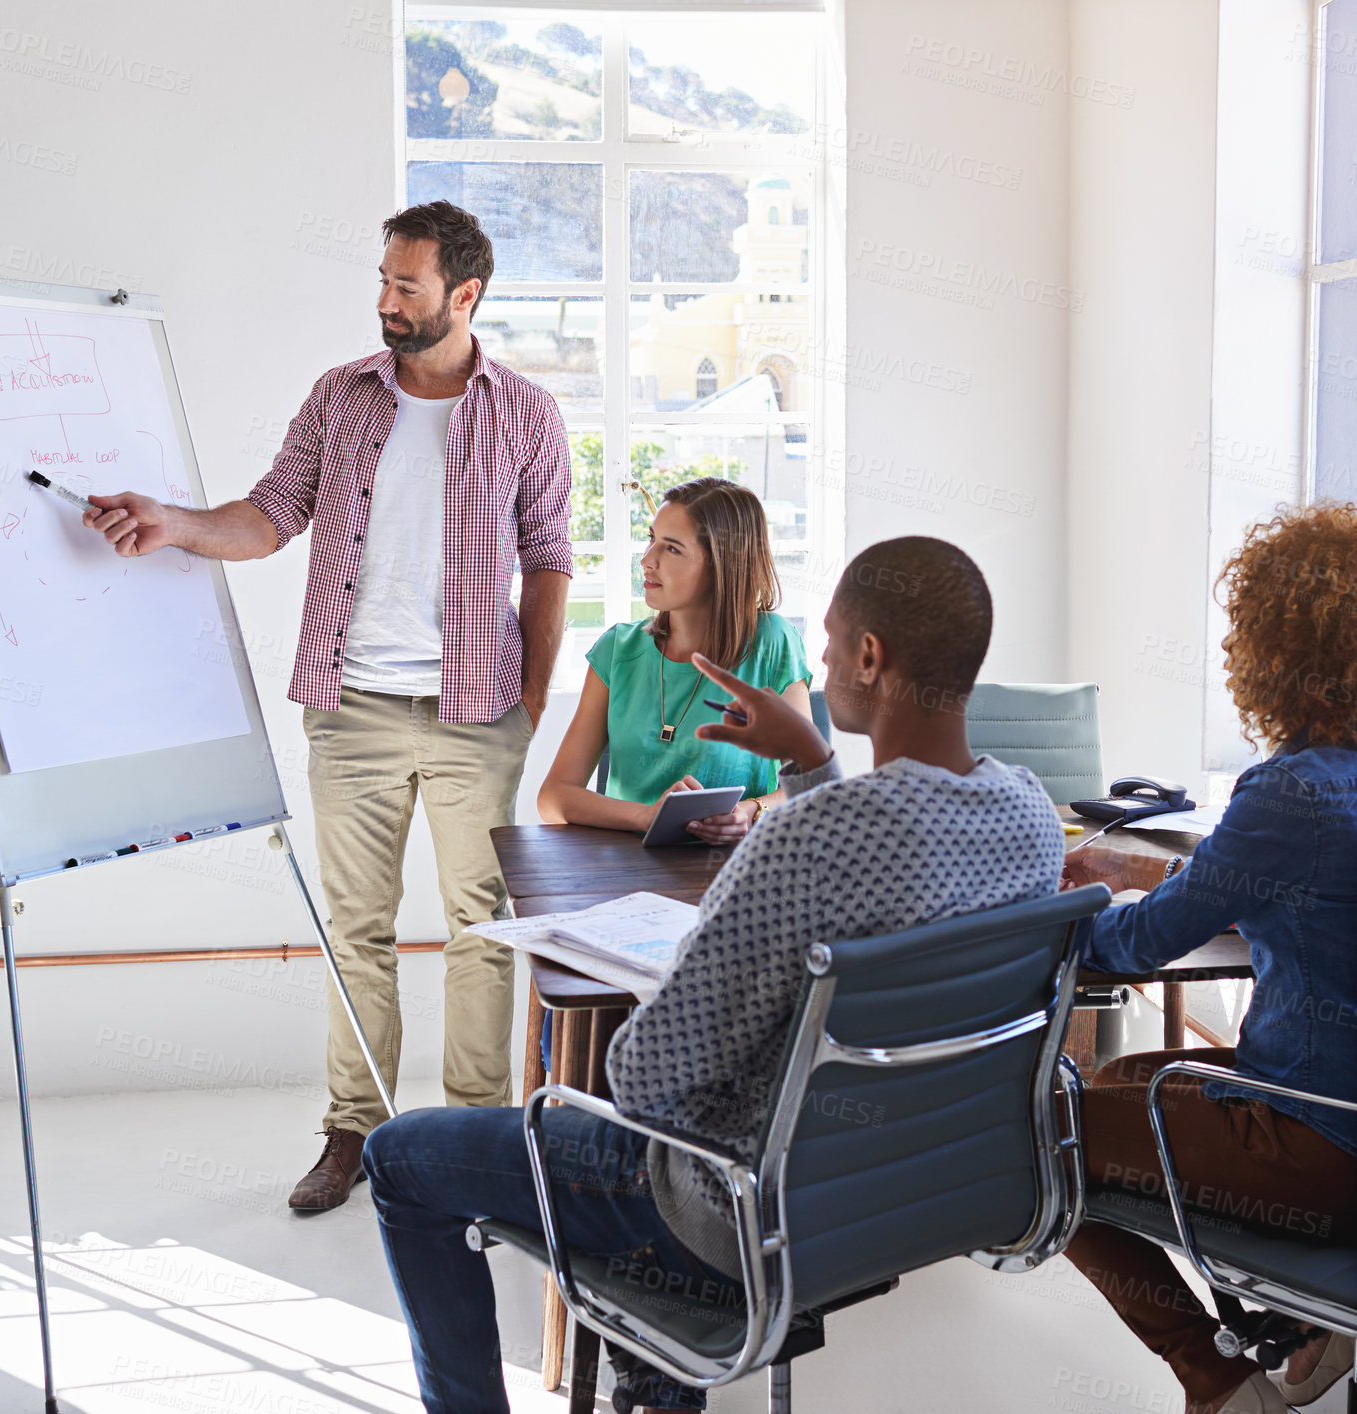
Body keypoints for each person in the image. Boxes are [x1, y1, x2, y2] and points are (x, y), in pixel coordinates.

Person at [363, 536, 1066, 1413]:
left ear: (871, 658)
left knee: (399, 1156)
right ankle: (658, 1379)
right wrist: (810, 760)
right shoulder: (1030, 816)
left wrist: (681, 979)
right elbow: (900, 858)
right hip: (911, 1190)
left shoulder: (801, 843)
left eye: (833, 641)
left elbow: (646, 1079)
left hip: (735, 1207)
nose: (819, 657)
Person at [83, 201, 573, 1211]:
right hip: (350, 708)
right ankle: (356, 1130)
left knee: (481, 925)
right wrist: (170, 521)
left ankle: (474, 1138)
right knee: (357, 926)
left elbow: (549, 560)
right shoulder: (341, 398)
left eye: (408, 285)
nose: (386, 301)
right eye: (383, 281)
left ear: (464, 295)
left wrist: (524, 701)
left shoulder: (525, 412)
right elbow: (270, 516)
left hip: (476, 710)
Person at [1061, 503, 1357, 1414]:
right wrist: (1138, 868)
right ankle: (1309, 1327)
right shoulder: (1316, 798)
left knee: (1037, 1134)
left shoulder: (1290, 793)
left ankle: (1219, 1378)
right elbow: (1285, 886)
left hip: (1317, 1140)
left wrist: (1050, 905)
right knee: (1127, 1074)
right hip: (1329, 1101)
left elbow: (1133, 944)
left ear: (1270, 646)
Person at [538, 477, 812, 848]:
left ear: (722, 564)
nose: (647, 560)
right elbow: (554, 798)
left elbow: (810, 786)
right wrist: (647, 816)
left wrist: (754, 811)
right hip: (629, 872)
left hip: (739, 871)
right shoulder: (618, 649)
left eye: (672, 549)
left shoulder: (773, 643)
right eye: (652, 539)